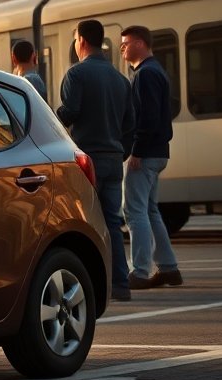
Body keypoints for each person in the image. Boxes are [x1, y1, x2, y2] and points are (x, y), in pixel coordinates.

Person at [56, 19, 136, 302]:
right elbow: (130, 126)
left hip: (86, 162)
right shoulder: (120, 80)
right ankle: (120, 285)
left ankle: (89, 286)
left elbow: (70, 111)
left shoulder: (76, 74)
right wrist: (119, 153)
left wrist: (51, 117)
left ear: (81, 41)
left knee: (82, 225)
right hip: (114, 160)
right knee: (112, 224)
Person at [120, 25, 183, 289]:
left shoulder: (145, 74)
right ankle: (169, 269)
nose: (122, 48)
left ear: (140, 44)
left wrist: (136, 150)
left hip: (145, 154)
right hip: (158, 152)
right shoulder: (156, 71)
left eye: (125, 43)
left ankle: (141, 271)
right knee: (150, 210)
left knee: (133, 211)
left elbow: (147, 117)